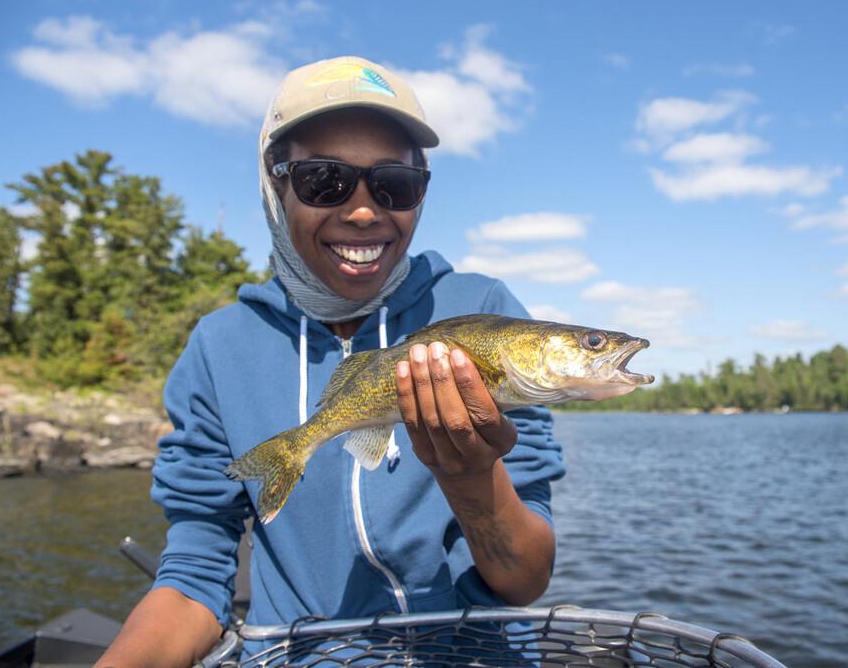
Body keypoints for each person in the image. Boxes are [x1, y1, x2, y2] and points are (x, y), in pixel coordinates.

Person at [95, 56, 565, 666]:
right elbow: (193, 578)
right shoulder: (219, 349)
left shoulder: (485, 310)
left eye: (394, 183)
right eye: (324, 180)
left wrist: (473, 481)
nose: (364, 211)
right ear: (275, 182)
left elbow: (525, 581)